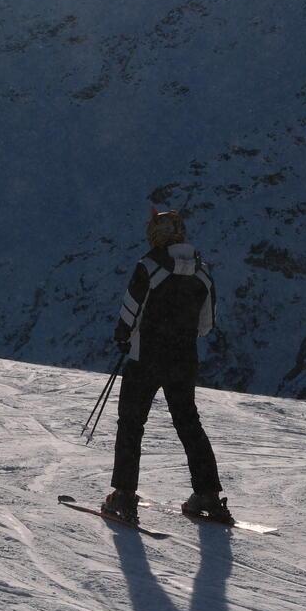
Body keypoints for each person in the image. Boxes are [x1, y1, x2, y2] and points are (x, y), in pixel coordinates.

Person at [103, 208, 230, 525]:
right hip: (184, 358)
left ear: (156, 235)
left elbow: (131, 309)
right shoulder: (202, 271)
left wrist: (123, 337)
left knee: (132, 424)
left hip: (145, 356)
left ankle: (124, 496)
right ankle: (208, 496)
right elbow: (207, 324)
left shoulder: (149, 266)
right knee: (188, 424)